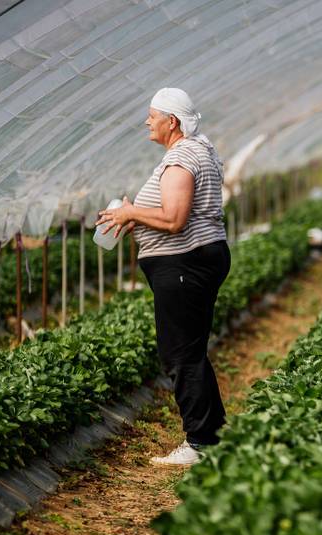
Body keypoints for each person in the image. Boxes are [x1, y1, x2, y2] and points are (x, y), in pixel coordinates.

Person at [96, 88, 230, 466]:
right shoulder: (192, 152)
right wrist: (132, 214)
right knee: (190, 350)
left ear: (171, 121)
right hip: (193, 262)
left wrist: (131, 213)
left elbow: (174, 218)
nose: (147, 122)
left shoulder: (183, 156)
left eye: (152, 115)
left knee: (181, 354)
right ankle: (214, 434)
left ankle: (201, 441)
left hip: (185, 264)